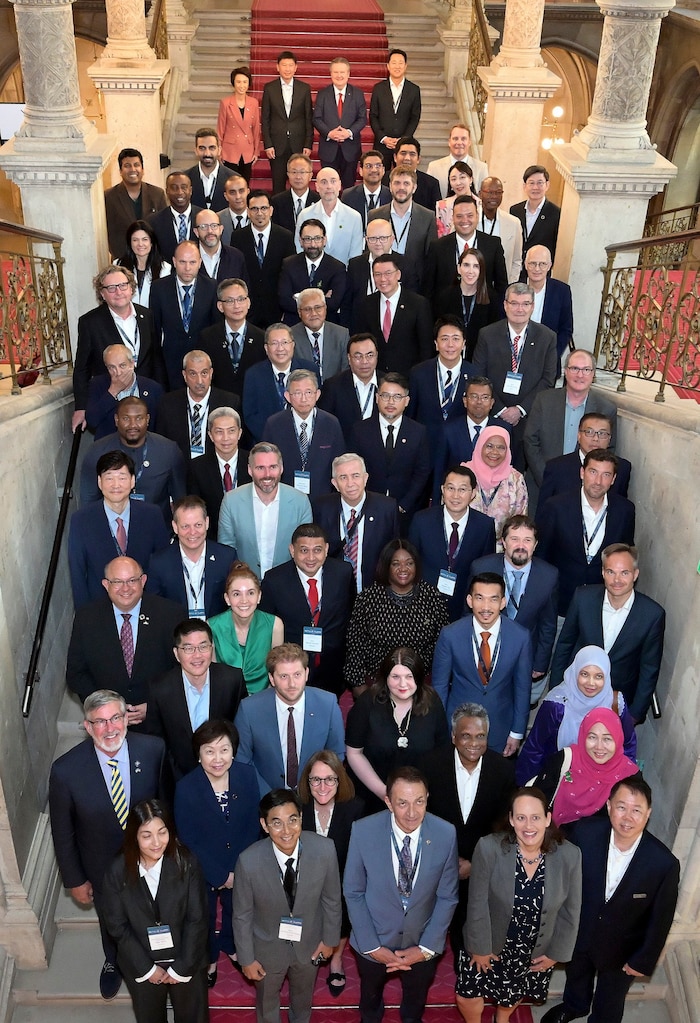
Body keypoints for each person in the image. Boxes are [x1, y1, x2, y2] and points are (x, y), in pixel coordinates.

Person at [48, 690, 167, 1000]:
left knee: (154, 911)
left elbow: (166, 806)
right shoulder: (65, 771)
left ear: (127, 718)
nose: (110, 728)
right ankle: (113, 961)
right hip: (101, 869)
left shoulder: (153, 750)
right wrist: (74, 880)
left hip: (151, 861)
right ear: (87, 727)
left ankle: (155, 956)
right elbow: (63, 832)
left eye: (115, 717)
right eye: (99, 722)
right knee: (111, 920)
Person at [541, 777, 680, 1023]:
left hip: (623, 948)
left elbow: (661, 919)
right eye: (621, 807)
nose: (628, 817)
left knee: (611, 999)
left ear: (648, 813)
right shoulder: (585, 833)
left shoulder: (663, 864)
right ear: (608, 807)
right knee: (577, 977)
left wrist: (643, 959)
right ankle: (575, 1006)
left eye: (636, 810)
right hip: (581, 933)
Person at [344, 766, 459, 1023]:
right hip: (373, 940)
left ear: (427, 797)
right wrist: (372, 946)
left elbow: (447, 896)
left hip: (422, 942)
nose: (411, 813)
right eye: (402, 803)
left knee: (416, 1002)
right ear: (388, 802)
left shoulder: (445, 833)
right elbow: (353, 891)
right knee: (370, 999)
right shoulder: (363, 831)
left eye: (419, 802)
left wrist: (427, 947)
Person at [456, 788, 582, 1023]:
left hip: (533, 948)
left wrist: (557, 953)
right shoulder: (489, 848)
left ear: (547, 818)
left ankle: (501, 1019)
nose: (528, 825)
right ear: (511, 819)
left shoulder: (570, 855)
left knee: (512, 994)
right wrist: (480, 947)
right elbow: (477, 902)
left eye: (535, 817)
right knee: (467, 996)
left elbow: (571, 910)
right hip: (489, 941)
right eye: (521, 817)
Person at [232, 787, 342, 1023]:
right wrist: (246, 959)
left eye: (292, 820)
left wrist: (330, 941)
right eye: (277, 823)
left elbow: (332, 900)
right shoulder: (248, 861)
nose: (286, 831)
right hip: (266, 951)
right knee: (266, 1005)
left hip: (310, 945)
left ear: (301, 818)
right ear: (264, 825)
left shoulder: (325, 850)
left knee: (303, 1003)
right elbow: (242, 915)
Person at [420, 704, 516, 966]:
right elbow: (421, 818)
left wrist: (477, 864)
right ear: (453, 737)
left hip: (480, 868)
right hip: (436, 865)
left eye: (480, 736)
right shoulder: (430, 765)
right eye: (466, 735)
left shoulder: (503, 771)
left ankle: (465, 969)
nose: (473, 743)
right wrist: (447, 863)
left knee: (469, 930)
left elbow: (505, 827)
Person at [100, 799, 209, 1021]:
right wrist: (148, 969)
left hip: (186, 958)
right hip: (141, 962)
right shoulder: (117, 871)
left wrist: (181, 967)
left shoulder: (186, 863)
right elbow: (117, 926)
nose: (157, 842)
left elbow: (197, 919)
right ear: (134, 837)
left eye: (162, 832)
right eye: (146, 835)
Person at [174, 719, 260, 987]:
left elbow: (252, 824)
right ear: (199, 755)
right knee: (205, 916)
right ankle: (210, 957)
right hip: (204, 868)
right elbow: (188, 838)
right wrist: (219, 875)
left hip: (241, 863)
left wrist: (239, 869)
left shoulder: (247, 776)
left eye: (224, 750)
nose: (217, 758)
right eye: (209, 751)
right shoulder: (186, 788)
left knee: (240, 910)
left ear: (233, 751)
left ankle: (232, 944)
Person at [549, 543, 666, 724]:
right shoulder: (583, 598)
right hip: (574, 695)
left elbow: (649, 668)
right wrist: (556, 691)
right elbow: (565, 644)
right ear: (603, 572)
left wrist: (634, 714)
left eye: (624, 573)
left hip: (615, 703)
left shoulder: (652, 615)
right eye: (611, 572)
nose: (616, 579)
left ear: (635, 574)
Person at [66, 556, 185, 723]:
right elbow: (76, 674)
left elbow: (183, 669)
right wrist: (107, 709)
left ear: (143, 581)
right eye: (117, 582)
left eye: (132, 580)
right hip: (108, 723)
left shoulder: (171, 614)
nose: (125, 588)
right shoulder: (86, 618)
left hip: (160, 719)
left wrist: (156, 704)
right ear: (106, 585)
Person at [432, 572, 532, 755]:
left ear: (503, 602)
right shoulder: (450, 635)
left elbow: (523, 688)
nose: (486, 607)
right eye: (480, 598)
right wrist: (440, 730)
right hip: (458, 727)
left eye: (493, 599)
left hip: (500, 727)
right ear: (470, 600)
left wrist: (517, 732)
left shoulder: (520, 637)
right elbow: (439, 686)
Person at [345, 646, 450, 811]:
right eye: (395, 676)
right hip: (372, 796)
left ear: (419, 677)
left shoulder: (432, 702)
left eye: (409, 676)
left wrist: (417, 796)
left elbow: (442, 752)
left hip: (418, 800)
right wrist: (384, 793)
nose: (402, 684)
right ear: (385, 677)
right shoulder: (367, 703)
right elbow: (354, 753)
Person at [234, 643, 345, 796]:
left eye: (297, 675)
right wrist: (272, 799)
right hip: (265, 798)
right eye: (284, 676)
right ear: (272, 678)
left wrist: (319, 789)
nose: (292, 684)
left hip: (314, 797)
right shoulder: (249, 709)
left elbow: (337, 755)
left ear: (306, 673)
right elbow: (242, 760)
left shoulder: (328, 704)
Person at [517, 646, 637, 786]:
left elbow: (628, 744)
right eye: (584, 674)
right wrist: (526, 788)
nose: (591, 683)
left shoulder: (615, 704)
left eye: (598, 676)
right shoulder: (556, 704)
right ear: (575, 673)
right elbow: (535, 747)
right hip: (559, 780)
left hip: (603, 783)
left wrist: (625, 782)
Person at [471, 514, 559, 704]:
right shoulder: (481, 567)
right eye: (514, 539)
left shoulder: (549, 576)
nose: (521, 545)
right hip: (485, 654)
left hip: (524, 657)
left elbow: (548, 624)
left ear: (535, 545)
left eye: (527, 540)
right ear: (503, 542)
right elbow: (468, 615)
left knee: (517, 707)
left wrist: (540, 662)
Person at [536, 450, 636, 617]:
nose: (598, 481)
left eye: (606, 475)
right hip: (560, 602)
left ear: (613, 479)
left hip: (601, 604)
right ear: (582, 473)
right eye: (593, 472)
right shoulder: (556, 506)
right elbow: (542, 554)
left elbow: (625, 554)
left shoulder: (625, 510)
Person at [260, 523, 355, 696]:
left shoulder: (343, 573)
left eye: (317, 550)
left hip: (333, 666)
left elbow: (350, 614)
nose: (311, 557)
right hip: (291, 670)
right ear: (292, 550)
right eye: (304, 550)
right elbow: (266, 627)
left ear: (326, 549)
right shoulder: (274, 580)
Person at [343, 540, 450, 695]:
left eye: (409, 563)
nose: (403, 569)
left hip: (422, 687)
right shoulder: (368, 598)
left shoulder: (431, 596)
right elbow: (355, 647)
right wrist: (361, 690)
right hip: (377, 686)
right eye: (395, 564)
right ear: (386, 566)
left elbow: (443, 646)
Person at [146, 619, 247, 780]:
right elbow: (157, 741)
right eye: (188, 648)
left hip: (226, 774)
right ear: (176, 653)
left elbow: (241, 731)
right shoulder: (159, 688)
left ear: (211, 648)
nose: (197, 655)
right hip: (179, 778)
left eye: (203, 646)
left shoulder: (232, 680)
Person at [298, 750, 365, 995]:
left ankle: (336, 959)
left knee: (349, 896)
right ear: (307, 782)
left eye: (330, 779)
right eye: (316, 779)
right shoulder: (298, 808)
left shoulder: (355, 809)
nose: (322, 786)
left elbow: (359, 858)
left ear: (340, 780)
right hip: (304, 882)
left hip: (344, 879)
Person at [472, 282, 558, 470]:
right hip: (493, 416)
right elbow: (479, 376)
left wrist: (520, 409)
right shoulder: (487, 334)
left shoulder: (547, 337)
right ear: (505, 305)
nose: (520, 309)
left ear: (533, 306)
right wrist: (501, 409)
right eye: (514, 303)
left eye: (525, 304)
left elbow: (548, 379)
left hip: (528, 420)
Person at [68, 450, 169, 609]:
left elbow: (164, 563)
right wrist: (85, 615)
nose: (116, 485)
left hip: (147, 605)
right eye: (109, 478)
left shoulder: (152, 514)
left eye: (122, 478)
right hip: (101, 608)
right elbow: (78, 572)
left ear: (132, 481)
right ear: (100, 483)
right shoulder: (81, 520)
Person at [72, 265, 164, 433]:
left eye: (123, 285)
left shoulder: (147, 316)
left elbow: (156, 358)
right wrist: (80, 407)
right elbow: (82, 368)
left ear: (131, 288)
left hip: (144, 399)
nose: (118, 292)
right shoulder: (90, 322)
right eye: (111, 288)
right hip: (111, 402)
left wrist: (161, 395)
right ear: (102, 294)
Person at [80, 395, 186, 526]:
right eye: (126, 418)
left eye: (139, 418)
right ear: (116, 420)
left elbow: (180, 500)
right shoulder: (97, 451)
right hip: (112, 530)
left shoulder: (169, 450)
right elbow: (88, 501)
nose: (133, 425)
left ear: (147, 419)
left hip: (158, 531)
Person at [524, 348, 618, 496]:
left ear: (593, 374)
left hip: (582, 491)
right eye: (574, 368)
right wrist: (546, 478)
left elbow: (608, 450)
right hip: (541, 485)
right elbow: (530, 441)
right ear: (565, 371)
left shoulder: (606, 409)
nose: (580, 375)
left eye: (586, 369)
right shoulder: (544, 400)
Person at [409, 465, 496, 622]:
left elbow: (485, 572)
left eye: (462, 489)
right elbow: (411, 563)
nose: (456, 495)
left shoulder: (485, 526)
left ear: (473, 493)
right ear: (442, 489)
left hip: (464, 607)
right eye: (450, 488)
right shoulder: (421, 520)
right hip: (423, 605)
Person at [217, 442, 312, 577]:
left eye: (273, 467)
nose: (267, 474)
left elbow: (304, 549)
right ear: (250, 470)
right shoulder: (231, 501)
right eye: (260, 468)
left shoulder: (300, 501)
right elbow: (226, 550)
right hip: (246, 586)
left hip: (286, 584)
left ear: (281, 468)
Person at [534, 708, 639, 828]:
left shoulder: (630, 777)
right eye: (592, 737)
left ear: (618, 739)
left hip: (597, 845)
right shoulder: (565, 759)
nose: (599, 747)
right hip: (553, 839)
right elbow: (536, 802)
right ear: (583, 736)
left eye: (607, 739)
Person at [311, 452, 400, 592]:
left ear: (365, 478)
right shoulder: (322, 508)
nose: (350, 483)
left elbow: (393, 551)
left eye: (355, 476)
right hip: (334, 591)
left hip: (373, 591)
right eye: (343, 477)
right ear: (335, 483)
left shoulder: (386, 508)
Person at [352, 371, 431, 526]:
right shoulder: (360, 430)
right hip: (367, 508)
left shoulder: (418, 432)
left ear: (407, 401)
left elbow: (422, 471)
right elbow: (354, 469)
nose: (390, 402)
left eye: (397, 397)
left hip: (405, 511)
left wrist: (404, 504)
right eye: (385, 395)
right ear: (377, 398)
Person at [145, 495, 236, 619]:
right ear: (175, 527)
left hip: (217, 633)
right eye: (185, 526)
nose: (192, 532)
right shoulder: (158, 562)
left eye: (198, 525)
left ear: (207, 523)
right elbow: (154, 608)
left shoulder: (227, 557)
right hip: (176, 633)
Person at [262, 368, 345, 499]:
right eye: (297, 393)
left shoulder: (331, 423)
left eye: (308, 392)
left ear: (317, 394)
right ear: (287, 396)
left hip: (323, 498)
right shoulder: (274, 424)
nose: (303, 399)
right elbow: (267, 464)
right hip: (285, 497)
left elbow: (339, 465)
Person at [149, 239, 219, 390]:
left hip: (202, 363)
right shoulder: (158, 288)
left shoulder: (211, 287)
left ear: (200, 262)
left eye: (192, 262)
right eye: (182, 262)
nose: (187, 268)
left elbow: (216, 328)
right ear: (174, 262)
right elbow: (154, 330)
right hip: (171, 363)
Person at [208, 561, 284, 694]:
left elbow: (277, 672)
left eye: (250, 593)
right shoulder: (211, 626)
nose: (244, 600)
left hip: (263, 700)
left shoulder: (274, 625)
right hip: (224, 701)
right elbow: (213, 676)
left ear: (259, 596)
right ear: (227, 598)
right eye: (237, 594)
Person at [355, 254, 433, 378]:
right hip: (377, 376)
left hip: (409, 376)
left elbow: (426, 347)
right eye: (377, 274)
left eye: (388, 273)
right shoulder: (366, 304)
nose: (383, 279)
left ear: (398, 275)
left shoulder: (418, 303)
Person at [155, 349, 240, 462]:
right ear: (184, 375)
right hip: (179, 468)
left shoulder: (229, 402)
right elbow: (161, 444)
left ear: (211, 373)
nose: (199, 381)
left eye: (204, 373)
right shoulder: (168, 403)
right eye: (193, 374)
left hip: (214, 469)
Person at [407, 316, 477, 453]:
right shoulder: (418, 373)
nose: (450, 345)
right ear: (436, 344)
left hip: (460, 449)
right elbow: (411, 415)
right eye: (444, 339)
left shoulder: (475, 375)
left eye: (456, 339)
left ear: (464, 344)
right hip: (425, 447)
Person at [537, 412, 632, 511]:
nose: (596, 439)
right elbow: (544, 511)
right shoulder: (556, 467)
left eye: (602, 434)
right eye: (589, 432)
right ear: (579, 436)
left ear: (609, 439)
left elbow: (621, 509)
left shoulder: (622, 467)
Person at [229, 190, 295, 327]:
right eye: (254, 209)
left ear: (271, 210)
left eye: (264, 208)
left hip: (276, 310)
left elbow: (290, 274)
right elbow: (236, 272)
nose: (259, 213)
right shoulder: (238, 237)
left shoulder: (285, 236)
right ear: (248, 211)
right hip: (247, 309)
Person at [426, 194, 509, 304]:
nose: (465, 220)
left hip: (483, 313)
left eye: (470, 215)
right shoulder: (437, 247)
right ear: (452, 218)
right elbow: (428, 289)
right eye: (459, 216)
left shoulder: (493, 245)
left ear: (477, 216)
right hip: (446, 314)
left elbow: (501, 286)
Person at [241, 323, 316, 442]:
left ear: (293, 345)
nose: (280, 348)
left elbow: (315, 407)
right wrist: (272, 437)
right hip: (266, 441)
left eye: (285, 342)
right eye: (274, 343)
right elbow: (250, 415)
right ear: (266, 348)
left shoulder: (310, 369)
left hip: (304, 440)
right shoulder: (253, 374)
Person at [368, 167, 437, 292]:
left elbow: (431, 258)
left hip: (415, 285)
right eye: (397, 183)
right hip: (382, 282)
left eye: (406, 183)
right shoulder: (374, 215)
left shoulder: (428, 217)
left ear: (414, 187)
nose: (401, 188)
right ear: (390, 186)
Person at [186, 406, 251, 537]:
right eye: (219, 432)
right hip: (213, 538)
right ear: (210, 435)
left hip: (250, 536)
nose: (225, 438)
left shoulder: (254, 462)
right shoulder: (197, 467)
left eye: (231, 431)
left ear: (239, 433)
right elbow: (197, 509)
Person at [432, 376, 502, 499]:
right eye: (474, 396)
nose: (479, 402)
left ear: (492, 403)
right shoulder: (448, 430)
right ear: (465, 401)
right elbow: (439, 472)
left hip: (494, 501)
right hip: (456, 500)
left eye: (485, 397)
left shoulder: (503, 430)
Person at [198, 278, 266, 397]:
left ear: (248, 302)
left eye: (241, 299)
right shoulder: (207, 337)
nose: (236, 305)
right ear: (220, 306)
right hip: (219, 403)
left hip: (252, 401)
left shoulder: (261, 337)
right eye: (230, 301)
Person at [433, 248, 501, 360]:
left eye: (476, 266)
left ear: (481, 271)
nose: (470, 271)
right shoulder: (444, 297)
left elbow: (494, 335)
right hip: (450, 356)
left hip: (481, 358)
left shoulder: (491, 298)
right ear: (459, 269)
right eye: (466, 265)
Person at [467, 425, 529, 547]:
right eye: (489, 446)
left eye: (501, 447)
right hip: (466, 546)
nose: (494, 452)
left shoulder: (516, 479)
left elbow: (520, 521)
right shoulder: (464, 475)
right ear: (480, 446)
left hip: (501, 550)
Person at [86, 343, 163, 440]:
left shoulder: (153, 388)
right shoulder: (98, 384)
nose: (118, 373)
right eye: (112, 367)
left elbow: (159, 426)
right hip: (110, 447)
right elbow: (92, 420)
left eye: (122, 365)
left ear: (132, 363)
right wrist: (113, 391)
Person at [261, 51, 313, 195]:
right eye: (284, 65)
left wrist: (308, 144)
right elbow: (265, 118)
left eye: (291, 65)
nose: (287, 68)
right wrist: (268, 144)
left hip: (298, 142)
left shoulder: (304, 88)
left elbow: (309, 117)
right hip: (277, 144)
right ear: (277, 67)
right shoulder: (269, 88)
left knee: (299, 183)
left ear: (296, 67)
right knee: (278, 184)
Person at [278, 218, 348, 325]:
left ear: (324, 240)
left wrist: (298, 297)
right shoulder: (289, 264)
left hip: (326, 325)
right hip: (295, 324)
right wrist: (322, 299)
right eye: (308, 239)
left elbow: (334, 303)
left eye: (317, 238)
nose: (313, 244)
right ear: (301, 241)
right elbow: (284, 301)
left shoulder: (337, 267)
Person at [313, 57, 367, 188]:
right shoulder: (322, 94)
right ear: (330, 74)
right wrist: (329, 133)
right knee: (328, 187)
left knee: (349, 187)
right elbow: (316, 118)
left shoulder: (357, 94)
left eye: (342, 72)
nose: (339, 75)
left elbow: (362, 119)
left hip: (350, 149)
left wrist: (348, 132)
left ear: (348, 74)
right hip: (328, 149)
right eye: (335, 72)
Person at [104, 148, 167, 258]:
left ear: (142, 169)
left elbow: (163, 229)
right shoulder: (109, 197)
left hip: (153, 260)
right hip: (123, 260)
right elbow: (108, 234)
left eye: (136, 165)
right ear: (120, 171)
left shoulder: (157, 194)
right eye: (127, 166)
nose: (133, 169)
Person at [296, 166, 364, 265]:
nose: (329, 186)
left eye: (333, 181)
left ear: (339, 185)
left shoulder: (354, 217)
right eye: (324, 182)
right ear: (317, 187)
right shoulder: (305, 215)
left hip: (343, 276)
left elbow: (355, 255)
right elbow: (300, 248)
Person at [318, 333, 379, 441]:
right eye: (358, 356)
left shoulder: (387, 384)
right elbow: (324, 425)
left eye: (370, 355)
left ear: (377, 356)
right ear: (349, 358)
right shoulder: (332, 386)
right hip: (345, 453)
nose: (364, 361)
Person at [523, 245, 573, 376]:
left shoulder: (562, 291)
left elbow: (566, 328)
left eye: (542, 264)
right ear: (525, 264)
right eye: (533, 263)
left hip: (547, 364)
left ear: (550, 265)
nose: (537, 269)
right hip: (515, 360)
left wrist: (552, 354)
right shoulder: (513, 289)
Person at [369, 49, 421, 173]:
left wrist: (403, 140)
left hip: (404, 146)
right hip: (382, 144)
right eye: (394, 63)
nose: (397, 66)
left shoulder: (414, 90)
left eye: (400, 63)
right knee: (381, 177)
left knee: (404, 176)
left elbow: (415, 117)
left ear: (405, 66)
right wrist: (383, 138)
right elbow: (373, 116)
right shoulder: (378, 88)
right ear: (388, 66)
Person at [340, 220, 396, 331]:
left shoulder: (405, 265)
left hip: (394, 327)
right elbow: (347, 303)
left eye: (383, 238)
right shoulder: (355, 264)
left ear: (392, 239)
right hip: (361, 327)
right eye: (373, 238)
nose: (378, 243)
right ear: (366, 240)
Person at [290, 289, 349, 381]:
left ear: (325, 308)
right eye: (307, 309)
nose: (313, 313)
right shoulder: (290, 336)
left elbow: (346, 371)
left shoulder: (341, 334)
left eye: (318, 307)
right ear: (299, 312)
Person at [509, 164, 561, 263]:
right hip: (517, 268)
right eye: (531, 183)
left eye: (540, 183)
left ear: (547, 185)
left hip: (540, 270)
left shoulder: (556, 213)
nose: (535, 187)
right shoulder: (515, 210)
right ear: (524, 186)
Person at [147, 171, 203, 263]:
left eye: (184, 187)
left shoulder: (204, 218)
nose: (180, 192)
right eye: (174, 188)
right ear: (167, 191)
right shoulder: (153, 222)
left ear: (191, 190)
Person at [217, 66, 261, 182]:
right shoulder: (225, 103)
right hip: (230, 150)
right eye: (239, 82)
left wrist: (256, 150)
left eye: (245, 82)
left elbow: (256, 128)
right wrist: (219, 149)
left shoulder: (254, 103)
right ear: (233, 83)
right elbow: (220, 128)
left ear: (249, 84)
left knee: (244, 184)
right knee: (230, 184)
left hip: (247, 150)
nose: (242, 85)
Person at [477, 176, 523, 284]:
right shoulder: (468, 220)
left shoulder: (514, 223)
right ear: (480, 194)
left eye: (498, 192)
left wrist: (510, 284)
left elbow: (516, 260)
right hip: (472, 285)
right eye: (489, 192)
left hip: (500, 286)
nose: (494, 197)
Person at [115, 219, 171, 307]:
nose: (140, 244)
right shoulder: (118, 265)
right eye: (135, 240)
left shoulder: (165, 269)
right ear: (130, 243)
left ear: (151, 242)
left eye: (145, 239)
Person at [427, 122, 489, 196]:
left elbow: (484, 197)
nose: (459, 142)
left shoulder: (481, 168)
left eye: (463, 139)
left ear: (469, 142)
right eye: (455, 139)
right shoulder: (434, 168)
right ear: (449, 142)